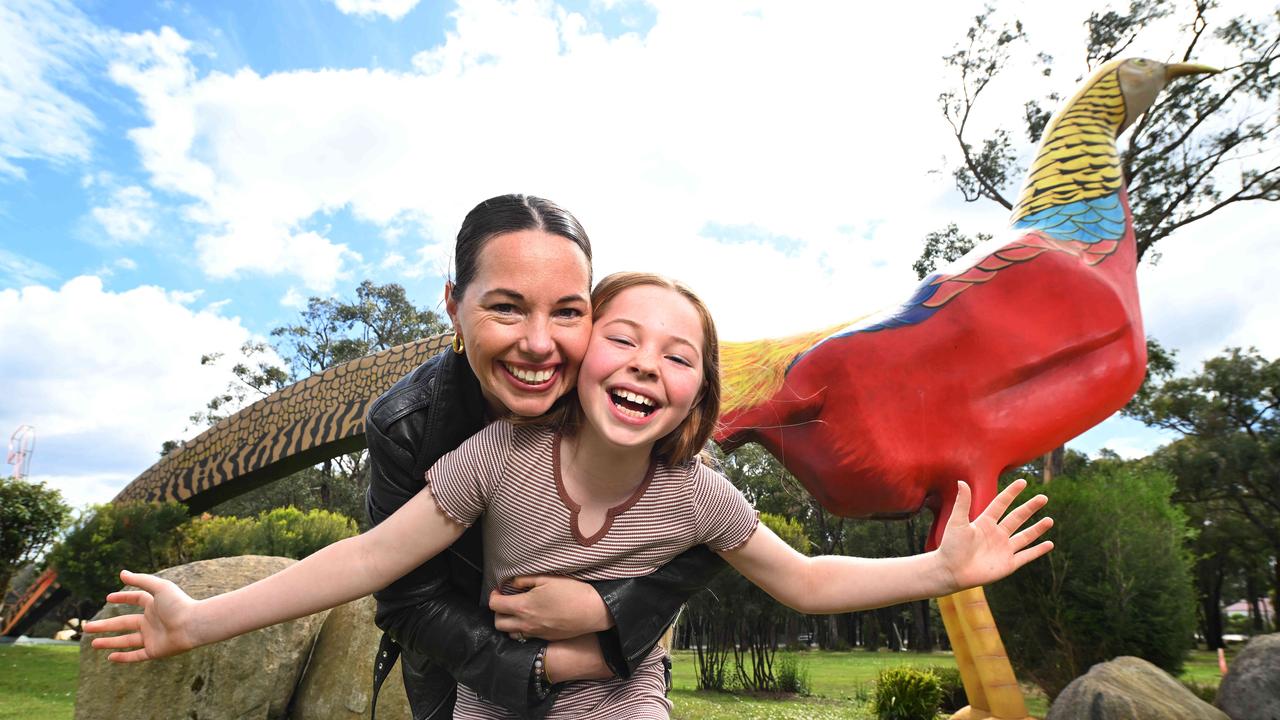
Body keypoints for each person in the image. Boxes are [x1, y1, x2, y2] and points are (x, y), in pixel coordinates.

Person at [84, 272, 1054, 719]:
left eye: (678, 357)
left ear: (697, 395)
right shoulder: (498, 457)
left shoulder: (695, 493)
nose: (645, 365)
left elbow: (800, 582)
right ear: (579, 357)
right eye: (623, 339)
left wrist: (936, 568)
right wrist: (199, 622)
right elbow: (371, 557)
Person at [362, 194, 727, 718]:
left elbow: (702, 545)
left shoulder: (628, 403)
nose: (539, 344)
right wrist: (548, 664)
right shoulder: (408, 425)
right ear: (453, 307)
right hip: (466, 672)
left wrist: (610, 610)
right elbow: (401, 594)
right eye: (506, 307)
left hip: (616, 682)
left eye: (567, 312)